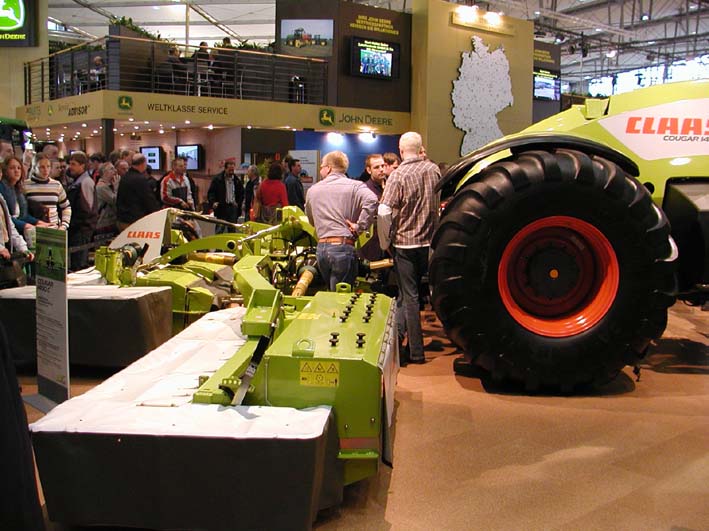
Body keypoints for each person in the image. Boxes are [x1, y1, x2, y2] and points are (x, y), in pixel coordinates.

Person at [378, 132, 441, 365]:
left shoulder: (398, 175)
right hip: (431, 243)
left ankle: (415, 352)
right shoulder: (434, 170)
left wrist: (385, 242)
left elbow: (384, 211)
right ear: (421, 147)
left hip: (405, 244)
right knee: (424, 294)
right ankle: (401, 342)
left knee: (409, 297)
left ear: (401, 150)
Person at [305, 151, 377, 290]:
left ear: (328, 168)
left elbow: (312, 221)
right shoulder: (356, 186)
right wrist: (360, 226)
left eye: (321, 167)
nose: (320, 170)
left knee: (331, 292)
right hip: (343, 248)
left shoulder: (312, 190)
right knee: (341, 296)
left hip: (322, 250)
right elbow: (372, 200)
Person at [0, 156, 50, 251]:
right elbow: (7, 218)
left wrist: (38, 222)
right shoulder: (2, 188)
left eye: (19, 168)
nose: (16, 171)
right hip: (7, 237)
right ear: (5, 171)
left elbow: (24, 215)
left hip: (18, 233)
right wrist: (25, 225)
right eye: (12, 168)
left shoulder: (18, 189)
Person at [66, 151, 97, 271]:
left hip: (81, 230)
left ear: (82, 165)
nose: (70, 167)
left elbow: (88, 209)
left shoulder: (85, 182)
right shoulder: (77, 182)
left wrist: (77, 224)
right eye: (70, 164)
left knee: (79, 263)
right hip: (77, 229)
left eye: (73, 164)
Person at [24, 153, 72, 232]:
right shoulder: (25, 185)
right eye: (42, 167)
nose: (46, 170)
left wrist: (64, 225)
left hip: (55, 229)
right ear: (34, 168)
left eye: (48, 166)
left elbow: (66, 206)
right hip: (35, 229)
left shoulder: (56, 184)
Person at [116, 153, 160, 231]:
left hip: (122, 219)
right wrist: (158, 214)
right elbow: (148, 200)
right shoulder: (140, 179)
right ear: (143, 164)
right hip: (134, 221)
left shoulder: (125, 177)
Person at [358, 153, 387, 263]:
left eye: (383, 166)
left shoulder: (390, 186)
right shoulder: (365, 190)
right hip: (371, 244)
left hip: (389, 242)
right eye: (376, 167)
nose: (381, 169)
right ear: (369, 170)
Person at [208, 159, 243, 232]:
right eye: (230, 170)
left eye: (232, 170)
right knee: (220, 229)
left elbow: (241, 193)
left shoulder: (237, 181)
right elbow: (211, 192)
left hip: (233, 208)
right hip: (221, 207)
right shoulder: (218, 180)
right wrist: (213, 202)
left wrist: (238, 203)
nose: (231, 172)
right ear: (225, 168)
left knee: (232, 229)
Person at [95, 162, 118, 242]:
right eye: (111, 169)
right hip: (104, 223)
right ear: (104, 172)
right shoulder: (102, 187)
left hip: (110, 221)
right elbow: (114, 200)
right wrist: (116, 188)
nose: (115, 171)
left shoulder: (109, 185)